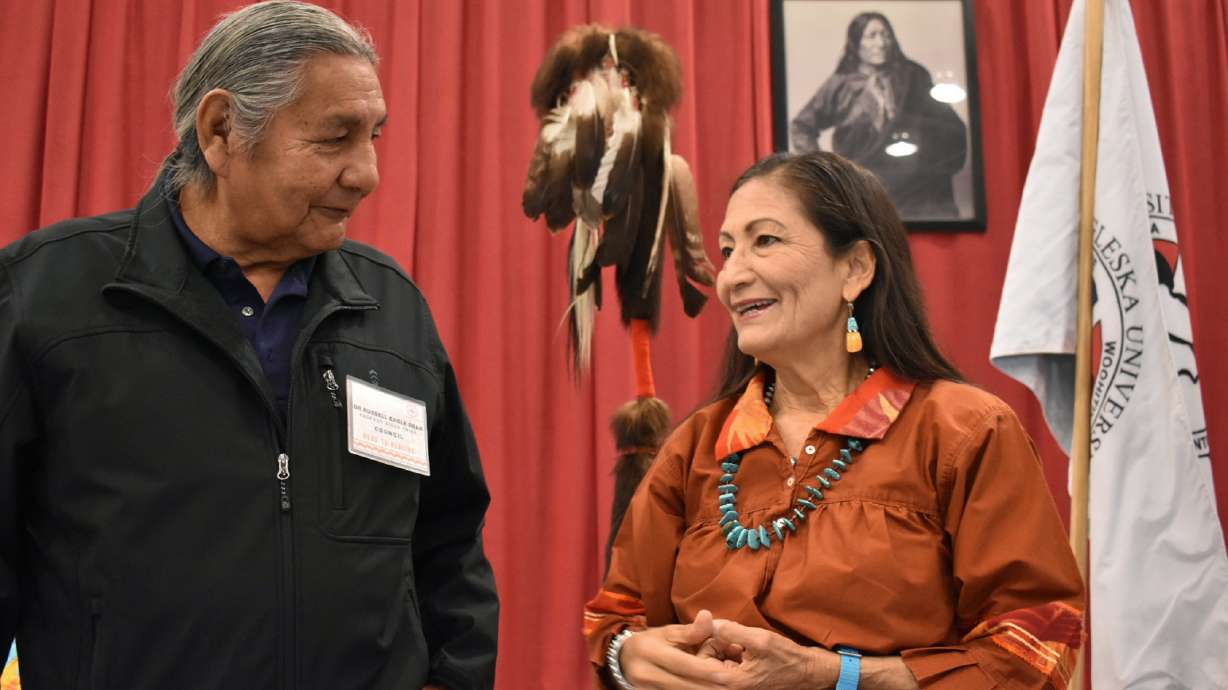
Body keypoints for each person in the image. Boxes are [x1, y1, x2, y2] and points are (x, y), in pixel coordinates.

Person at [0, 3, 497, 689]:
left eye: (374, 135)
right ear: (221, 129)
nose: (368, 173)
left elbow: (450, 544)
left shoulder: (394, 309)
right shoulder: (46, 295)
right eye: (335, 138)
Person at [584, 152, 1083, 689]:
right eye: (727, 250)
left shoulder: (964, 430)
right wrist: (627, 657)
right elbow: (616, 619)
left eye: (765, 241)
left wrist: (835, 675)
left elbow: (1035, 647)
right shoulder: (698, 445)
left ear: (856, 268)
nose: (732, 275)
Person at [790, 13, 967, 219]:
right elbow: (801, 127)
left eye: (886, 35)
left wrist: (932, 168)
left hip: (916, 192)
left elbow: (948, 126)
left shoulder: (913, 75)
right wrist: (826, 174)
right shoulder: (840, 84)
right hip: (864, 192)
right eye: (871, 35)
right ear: (856, 42)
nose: (881, 43)